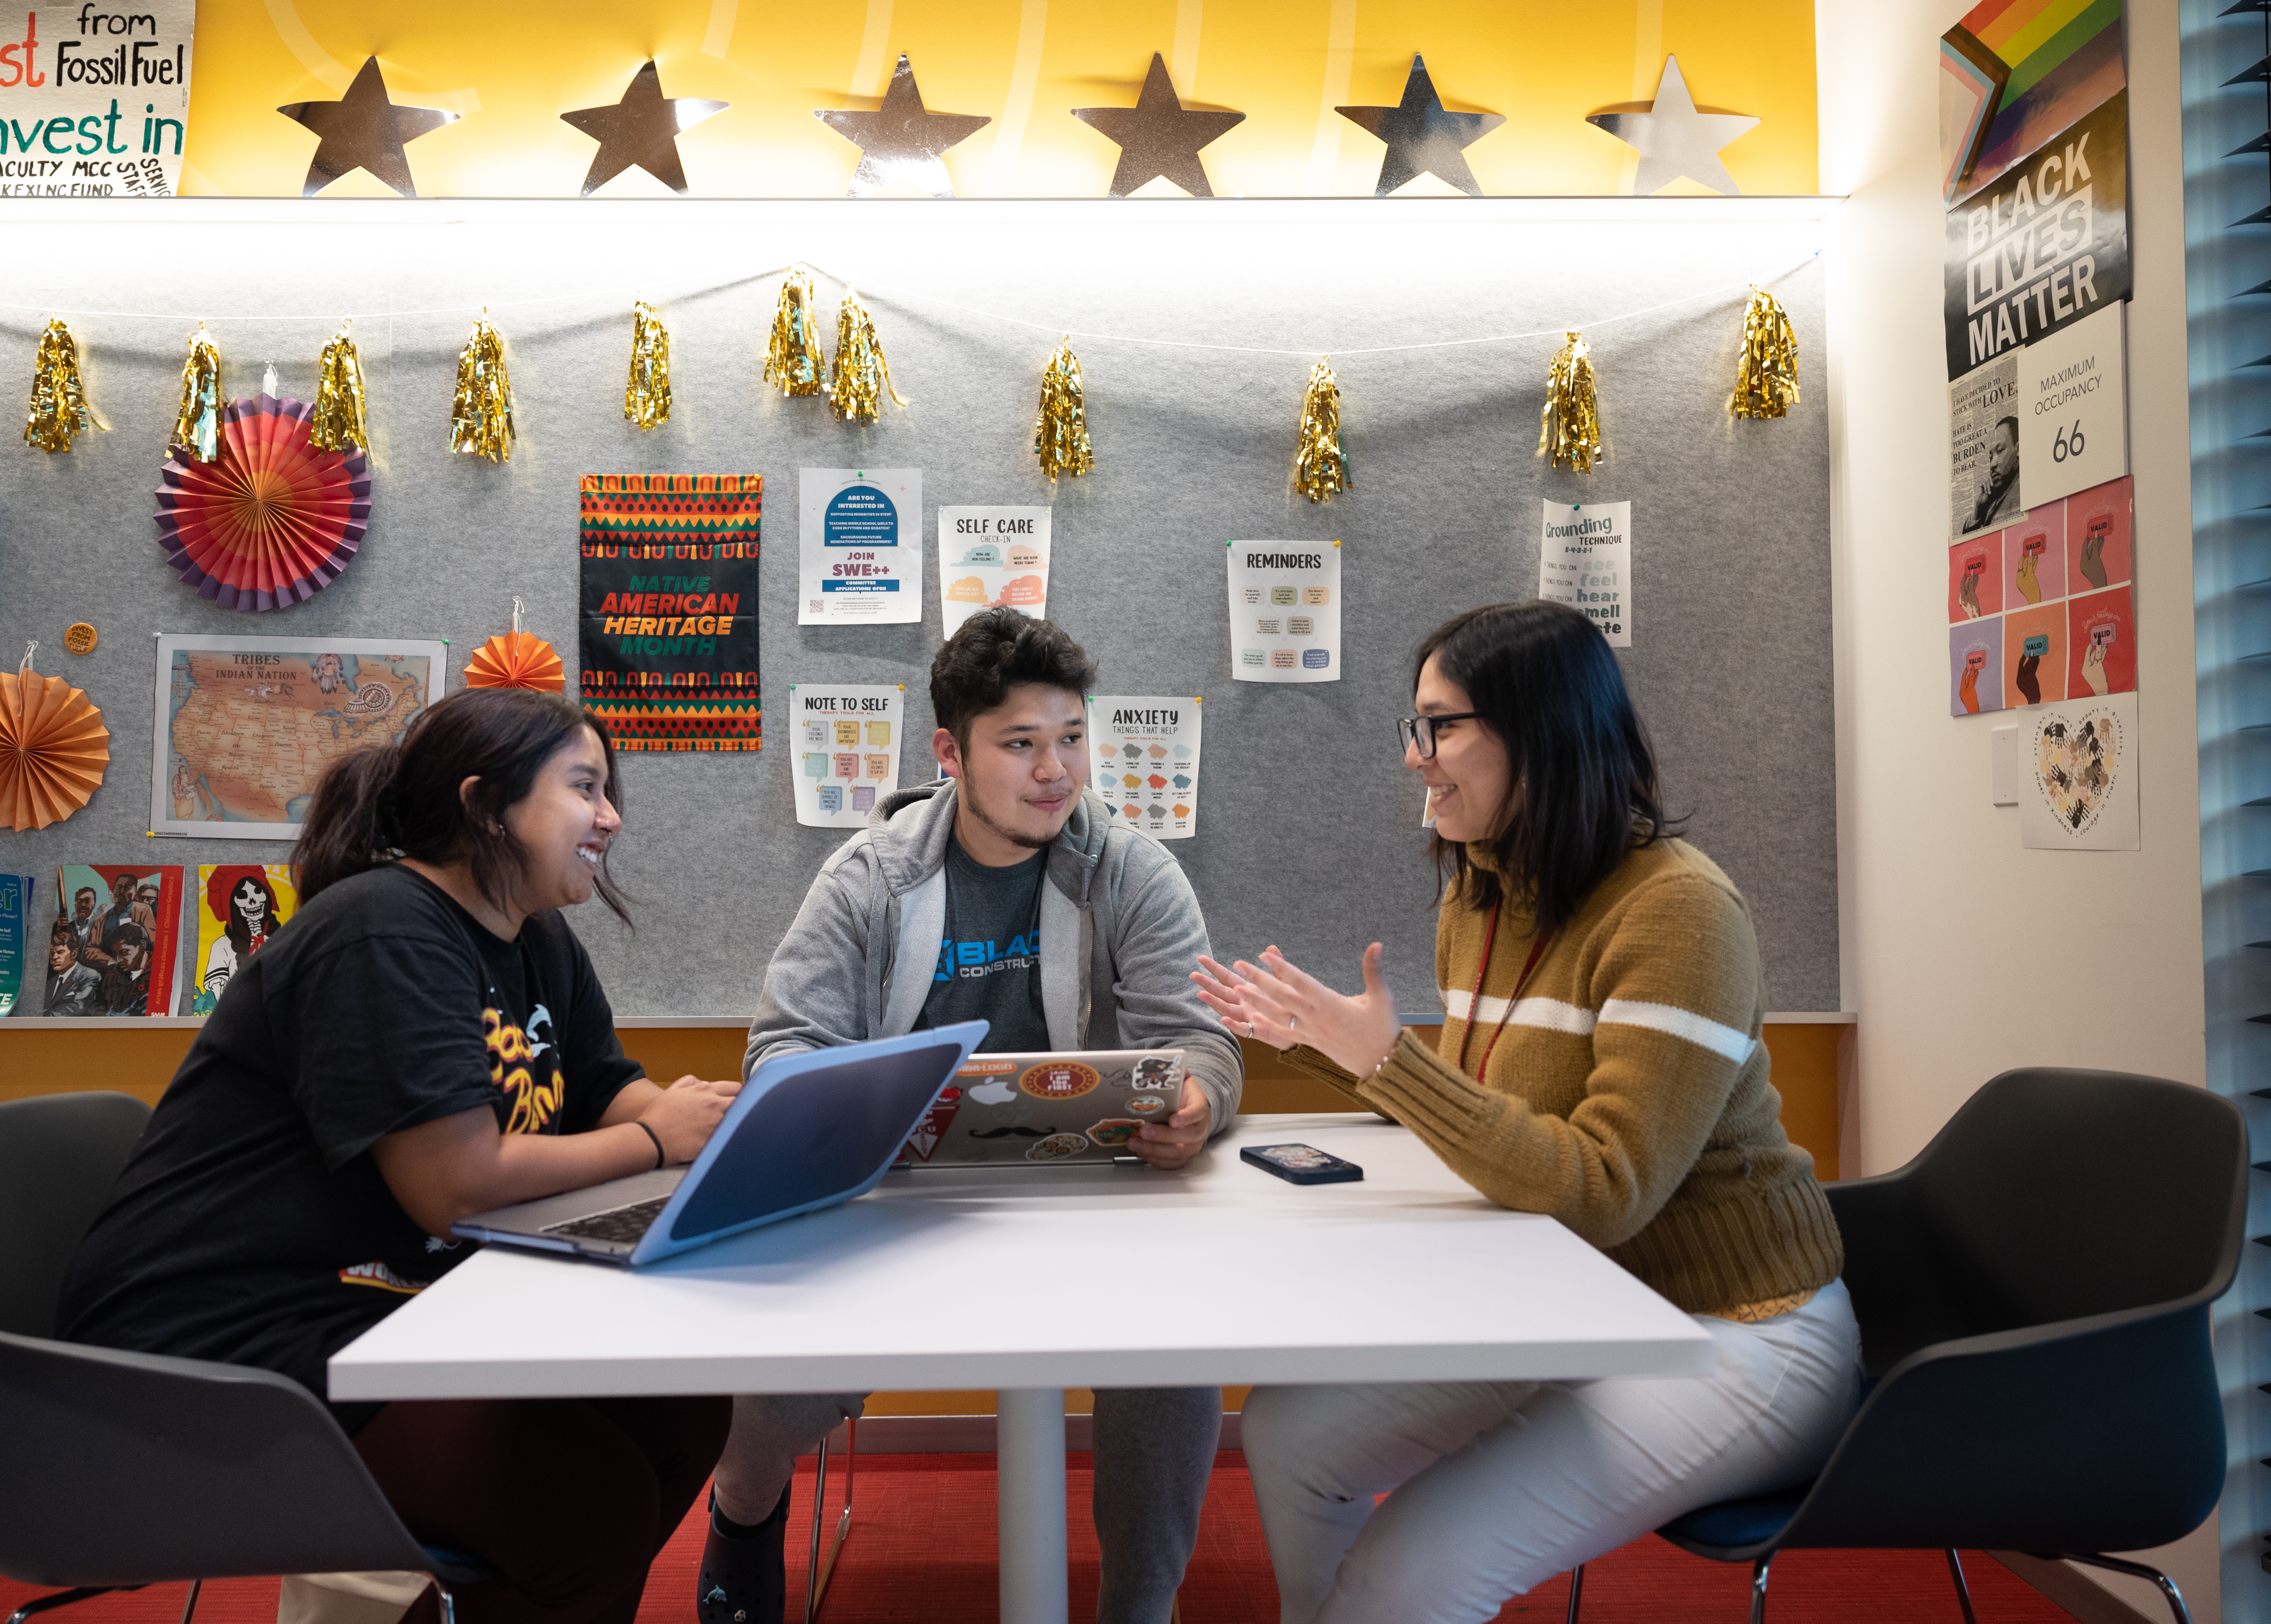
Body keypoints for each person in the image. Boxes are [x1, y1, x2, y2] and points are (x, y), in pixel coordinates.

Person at [1193, 601, 1857, 1624]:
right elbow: (1490, 1125)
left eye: (1441, 725)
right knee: (1288, 1434)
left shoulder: (1678, 912)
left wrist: (1386, 1061)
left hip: (1739, 1332)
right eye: (1415, 728)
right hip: (1575, 1304)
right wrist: (1328, 1046)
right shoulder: (1483, 894)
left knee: (1409, 1573)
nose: (1418, 758)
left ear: (1540, 732)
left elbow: (1601, 1188)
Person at [57, 687, 740, 1624]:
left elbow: (602, 1084)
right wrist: (660, 1136)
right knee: (581, 1507)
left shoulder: (534, 935)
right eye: (586, 786)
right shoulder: (382, 928)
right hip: (213, 1350)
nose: (611, 815)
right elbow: (454, 1187)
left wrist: (712, 1122)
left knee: (677, 1412)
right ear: (484, 804)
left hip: (356, 1310)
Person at [712, 608, 1243, 1624]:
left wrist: (1200, 1099)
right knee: (761, 1323)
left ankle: (1141, 1607)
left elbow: (1201, 1042)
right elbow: (782, 1050)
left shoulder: (1132, 869)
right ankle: (744, 1513)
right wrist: (844, 1116)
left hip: (1093, 1205)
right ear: (950, 753)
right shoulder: (870, 876)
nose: (1057, 771)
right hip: (894, 1202)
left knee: (1175, 1350)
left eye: (1072, 738)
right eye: (1022, 744)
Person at [202, 866, 283, 1003]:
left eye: (258, 892)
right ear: (231, 905)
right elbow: (218, 992)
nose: (253, 901)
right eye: (242, 896)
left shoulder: (284, 937)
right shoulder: (223, 946)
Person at [44, 922, 102, 1016]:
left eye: (60, 952)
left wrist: (42, 1017)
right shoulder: (51, 983)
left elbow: (78, 1006)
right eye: (52, 954)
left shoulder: (89, 975)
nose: (55, 957)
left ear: (74, 954)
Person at [99, 922, 153, 1017]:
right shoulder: (112, 976)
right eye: (116, 954)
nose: (119, 960)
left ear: (142, 945)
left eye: (124, 952)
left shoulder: (161, 971)